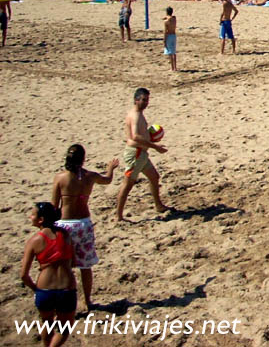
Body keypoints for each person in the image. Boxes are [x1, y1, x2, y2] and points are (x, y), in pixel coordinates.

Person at [51, 145, 118, 311]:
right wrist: (111, 168)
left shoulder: (60, 178)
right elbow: (107, 180)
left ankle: (65, 301)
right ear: (83, 159)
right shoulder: (90, 176)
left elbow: (54, 206)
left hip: (65, 224)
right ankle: (87, 300)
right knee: (85, 266)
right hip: (83, 224)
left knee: (64, 266)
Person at [20, 202, 76, 347]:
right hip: (66, 288)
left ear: (41, 220)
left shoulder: (34, 241)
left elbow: (24, 275)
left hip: (44, 289)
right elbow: (74, 262)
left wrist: (35, 289)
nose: (30, 217)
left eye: (33, 214)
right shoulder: (66, 234)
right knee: (65, 328)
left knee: (47, 323)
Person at [115, 88, 169, 221]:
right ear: (136, 100)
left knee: (154, 177)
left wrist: (150, 139)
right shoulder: (135, 115)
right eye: (143, 100)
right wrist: (155, 147)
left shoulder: (138, 114)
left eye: (147, 100)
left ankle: (158, 205)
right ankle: (118, 216)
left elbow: (139, 135)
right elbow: (135, 136)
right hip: (136, 154)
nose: (146, 103)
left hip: (141, 154)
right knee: (128, 184)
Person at [163, 6, 177, 71]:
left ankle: (172, 68)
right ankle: (175, 67)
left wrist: (164, 40)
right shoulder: (174, 19)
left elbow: (165, 31)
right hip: (174, 35)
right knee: (174, 52)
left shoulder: (166, 22)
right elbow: (172, 17)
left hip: (169, 36)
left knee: (170, 53)